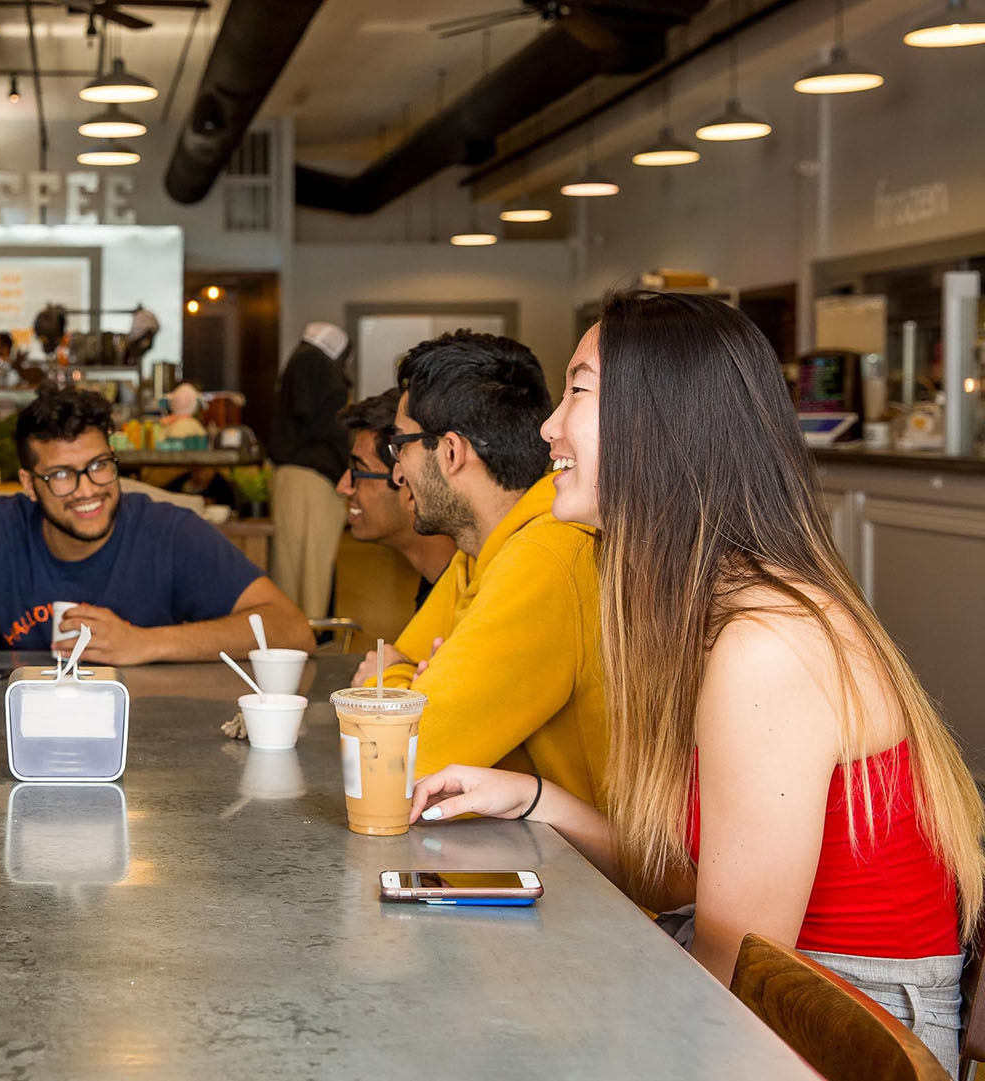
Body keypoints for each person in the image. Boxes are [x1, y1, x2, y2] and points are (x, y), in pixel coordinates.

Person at [409, 292, 984, 1075]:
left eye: (578, 390)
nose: (548, 426)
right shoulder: (710, 616)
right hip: (775, 997)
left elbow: (733, 973)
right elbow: (694, 884)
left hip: (842, 1026)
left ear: (661, 425)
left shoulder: (767, 648)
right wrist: (534, 798)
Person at [0, 387, 312, 680]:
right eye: (62, 475)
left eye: (100, 466)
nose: (88, 491)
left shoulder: (170, 532)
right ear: (27, 484)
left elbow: (292, 629)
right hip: (21, 747)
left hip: (152, 752)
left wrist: (144, 644)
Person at [354, 330, 609, 812]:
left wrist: (401, 683)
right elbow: (397, 666)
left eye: (400, 447)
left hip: (595, 872)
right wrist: (406, 681)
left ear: (451, 452)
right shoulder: (483, 547)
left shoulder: (545, 555)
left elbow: (396, 758)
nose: (396, 473)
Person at [334, 388, 456, 610]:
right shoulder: (435, 584)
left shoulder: (466, 601)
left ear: (410, 484)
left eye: (359, 470)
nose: (343, 488)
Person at [268, 323, 355, 620]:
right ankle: (311, 637)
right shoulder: (315, 363)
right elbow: (329, 427)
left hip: (292, 476)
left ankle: (292, 636)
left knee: (291, 568)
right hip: (314, 479)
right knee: (313, 572)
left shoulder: (298, 361)